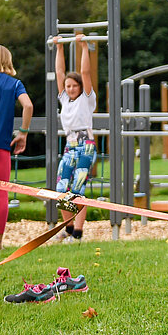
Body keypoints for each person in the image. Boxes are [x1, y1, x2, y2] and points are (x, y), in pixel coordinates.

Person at [53, 34, 97, 243]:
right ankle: (68, 229)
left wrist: (83, 47)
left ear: (80, 87)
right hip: (70, 145)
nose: (70, 89)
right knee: (61, 189)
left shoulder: (87, 99)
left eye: (74, 86)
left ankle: (78, 234)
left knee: (78, 188)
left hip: (85, 146)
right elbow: (59, 72)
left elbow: (86, 72)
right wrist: (59, 47)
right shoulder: (65, 100)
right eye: (68, 86)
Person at [0, 45, 33, 251]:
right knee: (1, 193)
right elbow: (28, 106)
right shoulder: (14, 84)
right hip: (2, 146)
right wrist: (23, 133)